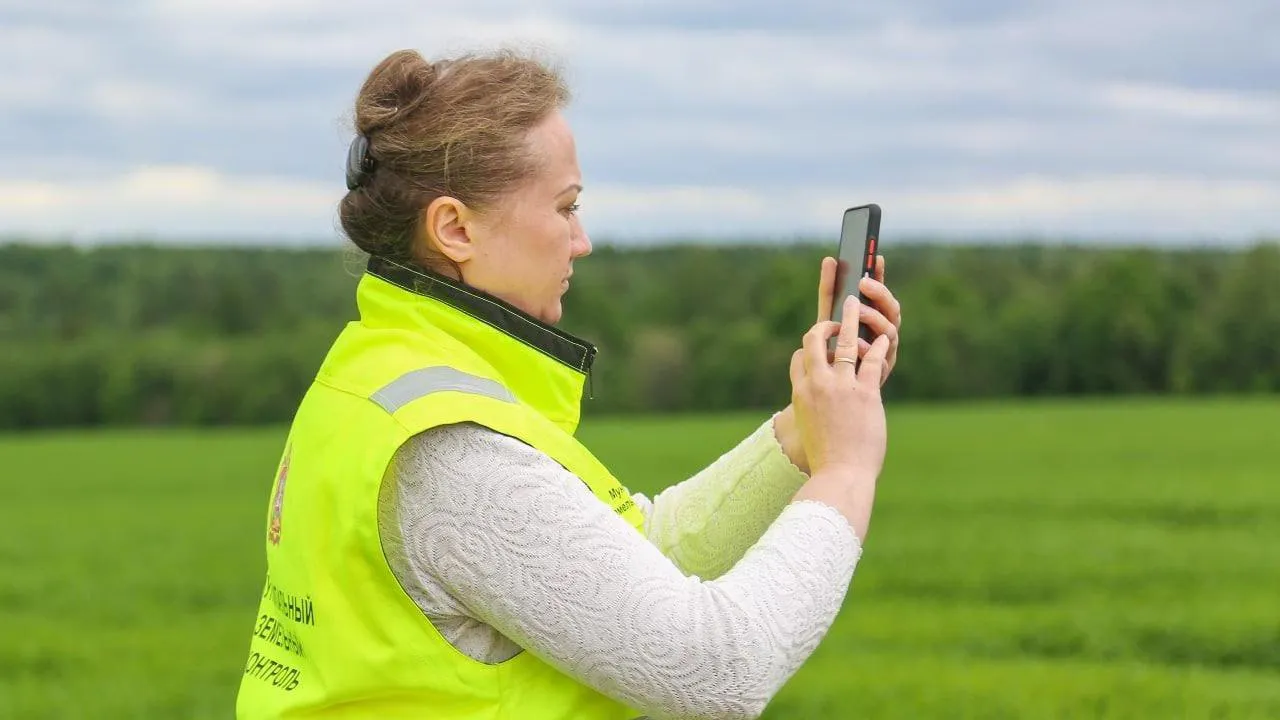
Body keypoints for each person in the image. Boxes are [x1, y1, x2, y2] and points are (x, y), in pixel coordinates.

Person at [235, 47, 903, 720]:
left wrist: (803, 429)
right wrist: (845, 470)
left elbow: (627, 560)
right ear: (454, 228)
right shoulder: (450, 446)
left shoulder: (379, 378)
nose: (581, 241)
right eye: (565, 207)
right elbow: (716, 672)